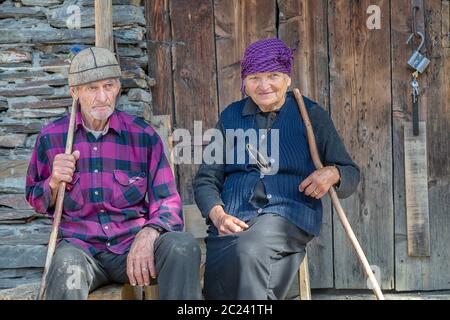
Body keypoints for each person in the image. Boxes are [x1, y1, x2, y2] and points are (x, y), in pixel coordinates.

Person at [26, 47, 202, 300]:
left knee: (182, 246)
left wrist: (149, 233)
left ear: (118, 87)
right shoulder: (53, 138)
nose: (102, 97)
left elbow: (168, 201)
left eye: (108, 86)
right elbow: (35, 199)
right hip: (82, 251)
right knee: (66, 267)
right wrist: (53, 182)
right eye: (91, 88)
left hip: (134, 252)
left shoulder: (143, 136)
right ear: (74, 92)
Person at [193, 38, 361, 300]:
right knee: (221, 280)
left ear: (287, 79)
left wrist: (333, 173)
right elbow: (206, 179)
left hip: (288, 215)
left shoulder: (310, 114)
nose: (264, 85)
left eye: (273, 75)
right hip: (234, 220)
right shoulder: (230, 117)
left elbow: (350, 172)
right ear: (244, 82)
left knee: (249, 248)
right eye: (255, 77)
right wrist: (218, 216)